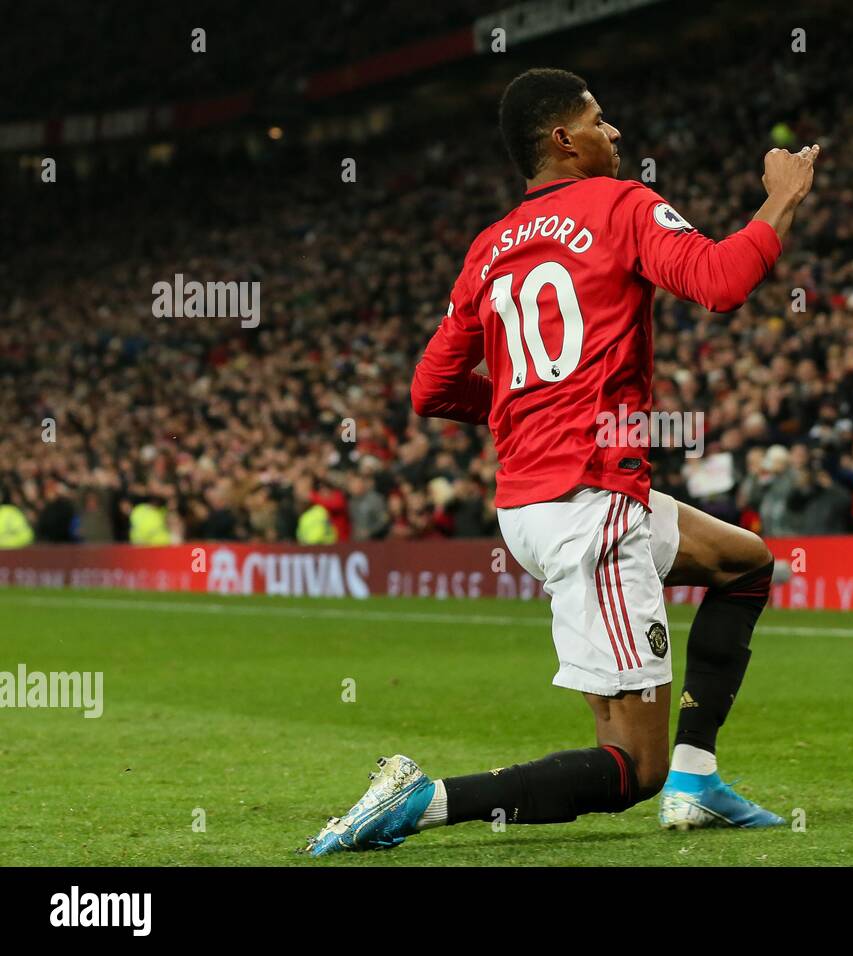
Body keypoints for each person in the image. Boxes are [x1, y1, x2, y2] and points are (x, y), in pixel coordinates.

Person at [306, 68, 820, 855]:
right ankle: (430, 799)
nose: (615, 134)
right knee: (628, 766)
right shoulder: (622, 206)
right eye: (600, 120)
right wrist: (782, 195)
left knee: (744, 564)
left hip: (538, 505)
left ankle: (697, 777)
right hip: (592, 508)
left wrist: (519, 410)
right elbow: (719, 282)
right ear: (563, 139)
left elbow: (431, 387)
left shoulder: (488, 248)